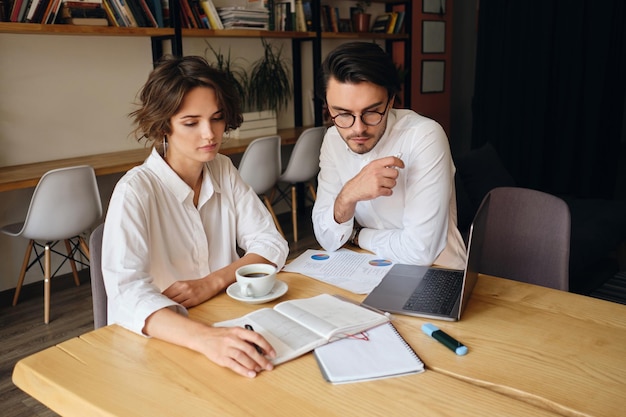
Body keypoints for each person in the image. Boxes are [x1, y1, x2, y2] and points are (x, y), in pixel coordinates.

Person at [101, 55, 289, 378]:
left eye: (216, 118)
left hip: (225, 320)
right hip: (164, 343)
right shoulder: (135, 191)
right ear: (164, 126)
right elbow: (126, 295)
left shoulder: (222, 169)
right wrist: (205, 339)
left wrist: (212, 282)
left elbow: (271, 244)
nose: (210, 134)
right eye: (191, 123)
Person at [312, 42, 466, 270]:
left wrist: (357, 236)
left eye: (371, 112)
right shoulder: (333, 139)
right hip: (366, 268)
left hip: (437, 273)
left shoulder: (424, 137)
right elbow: (327, 238)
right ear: (328, 107)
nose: (358, 129)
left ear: (391, 100)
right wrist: (347, 195)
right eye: (343, 114)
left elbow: (420, 251)